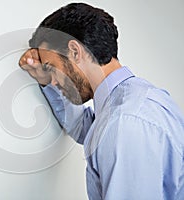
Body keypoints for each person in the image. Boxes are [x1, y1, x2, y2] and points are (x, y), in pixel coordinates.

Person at [18, 2, 184, 200]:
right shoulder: (135, 101)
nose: (53, 79)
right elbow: (87, 129)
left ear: (74, 51)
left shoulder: (125, 123)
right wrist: (46, 81)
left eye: (51, 67)